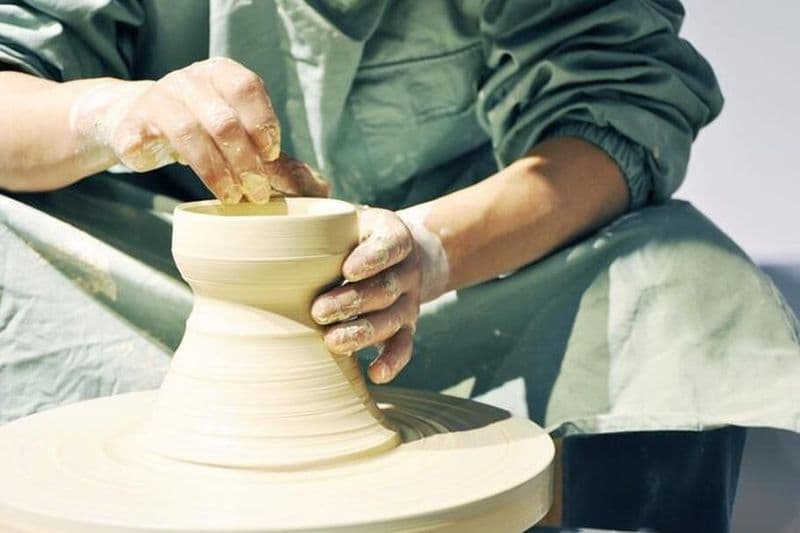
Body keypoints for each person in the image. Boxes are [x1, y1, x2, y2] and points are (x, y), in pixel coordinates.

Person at [0, 1, 798, 531]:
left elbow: (620, 106)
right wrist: (110, 113)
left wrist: (434, 248)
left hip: (473, 278)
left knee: (681, 289)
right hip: (169, 285)